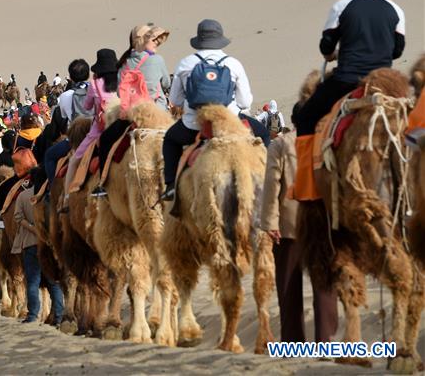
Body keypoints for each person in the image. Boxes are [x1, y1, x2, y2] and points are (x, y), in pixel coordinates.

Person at [293, 0, 405, 202]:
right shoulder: (395, 10)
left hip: (346, 80)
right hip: (383, 83)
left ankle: (306, 189)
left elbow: (326, 47)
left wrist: (333, 53)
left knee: (306, 117)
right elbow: (398, 50)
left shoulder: (342, 6)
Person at [161, 20, 265, 204]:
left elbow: (175, 100)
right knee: (263, 134)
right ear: (220, 40)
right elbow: (244, 101)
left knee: (170, 140)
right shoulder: (234, 63)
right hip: (229, 123)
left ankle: (170, 187)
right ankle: (270, 181)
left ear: (199, 40)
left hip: (194, 125)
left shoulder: (185, 63)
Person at [261, 102, 338, 344]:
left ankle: (293, 345)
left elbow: (272, 185)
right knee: (325, 289)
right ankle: (327, 343)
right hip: (323, 224)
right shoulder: (328, 142)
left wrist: (269, 222)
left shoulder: (281, 144)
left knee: (288, 289)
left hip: (289, 225)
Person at [92, 25, 171, 196]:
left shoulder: (124, 63)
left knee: (105, 139)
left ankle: (102, 184)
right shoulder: (157, 60)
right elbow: (166, 83)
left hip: (132, 117)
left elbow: (121, 93)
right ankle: (173, 183)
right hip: (157, 113)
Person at [62, 49, 119, 207]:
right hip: (121, 125)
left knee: (74, 161)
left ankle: (66, 200)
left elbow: (87, 106)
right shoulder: (122, 81)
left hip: (100, 128)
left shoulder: (95, 85)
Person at [13, 170, 64, 325]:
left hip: (30, 243)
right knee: (53, 281)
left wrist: (32, 228)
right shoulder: (50, 197)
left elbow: (17, 217)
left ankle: (33, 314)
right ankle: (59, 314)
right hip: (48, 244)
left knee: (33, 281)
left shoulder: (23, 196)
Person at [57, 58, 91, 123]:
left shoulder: (64, 96)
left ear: (70, 76)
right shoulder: (96, 91)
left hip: (74, 130)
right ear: (88, 75)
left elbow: (63, 116)